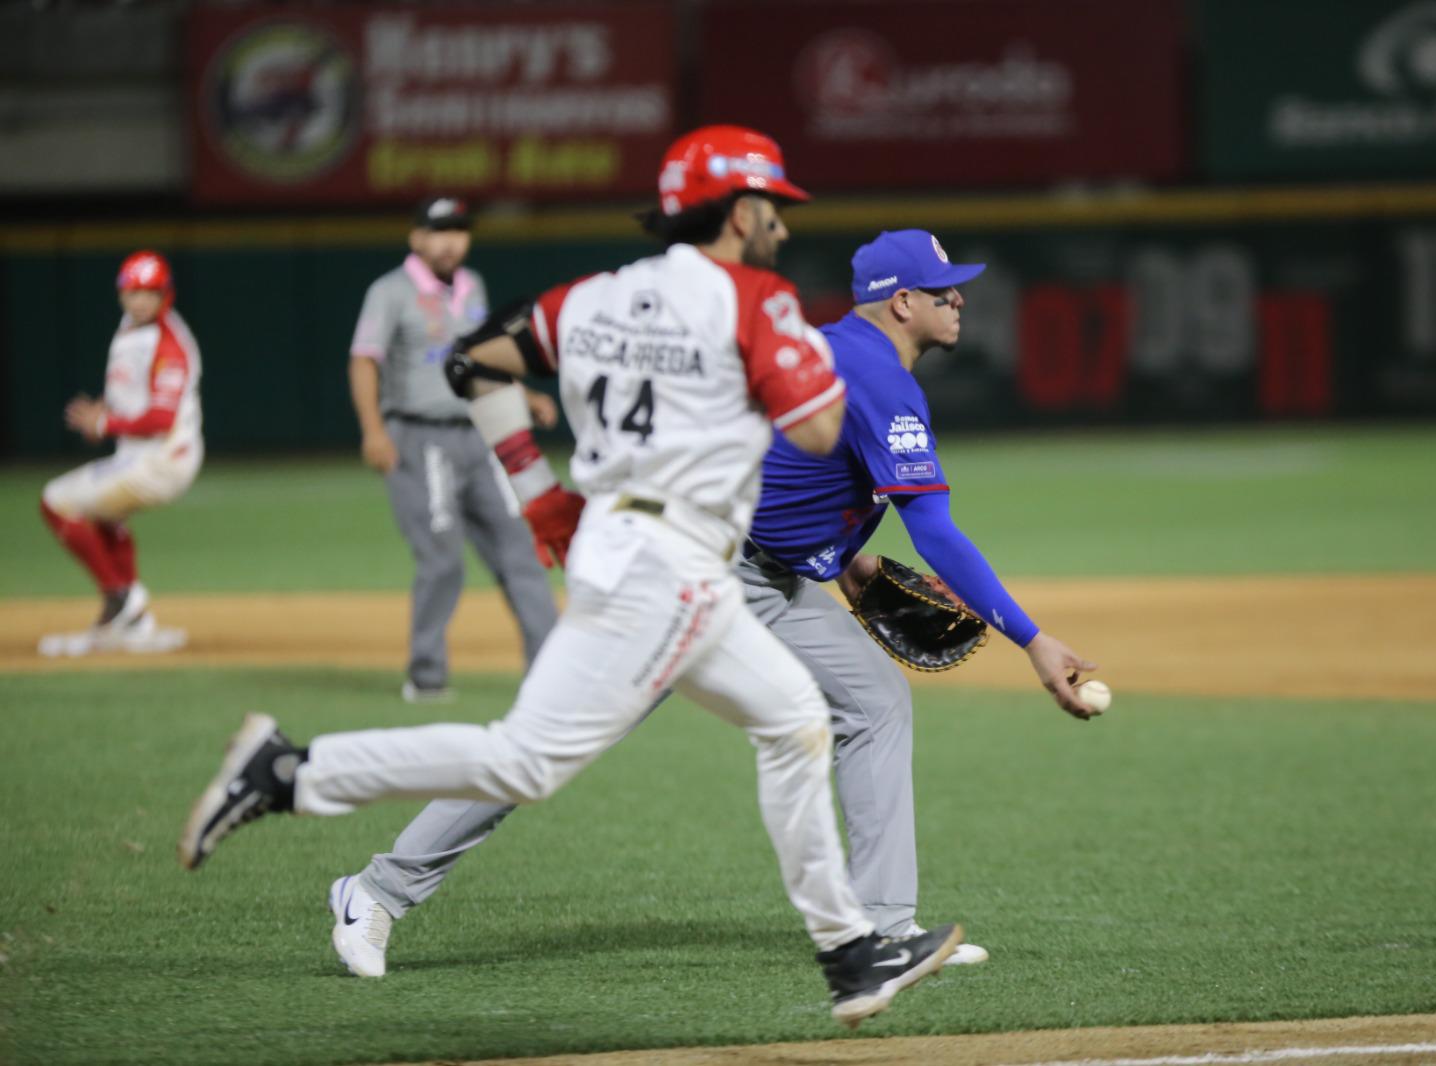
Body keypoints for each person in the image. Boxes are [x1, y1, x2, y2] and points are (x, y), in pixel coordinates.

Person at [179, 125, 964, 1029]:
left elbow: (469, 362)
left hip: (638, 549)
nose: (780, 227)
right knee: (528, 758)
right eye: (774, 209)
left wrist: (539, 493)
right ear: (741, 212)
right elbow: (822, 431)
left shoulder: (588, 298)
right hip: (666, 567)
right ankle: (291, 774)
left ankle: (855, 953)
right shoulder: (757, 301)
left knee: (795, 721)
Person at [320, 229, 1101, 982]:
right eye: (945, 291)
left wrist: (844, 559)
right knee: (548, 747)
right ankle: (375, 891)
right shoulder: (880, 381)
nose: (961, 301)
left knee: (876, 701)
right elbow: (936, 535)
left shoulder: (820, 346)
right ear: (900, 303)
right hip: (681, 578)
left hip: (766, 578)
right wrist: (1032, 640)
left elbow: (782, 467)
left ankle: (885, 928)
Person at [348, 196, 560, 701]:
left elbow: (479, 359)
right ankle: (427, 676)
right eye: (438, 231)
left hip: (479, 430)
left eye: (459, 231)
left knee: (520, 549)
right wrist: (373, 430)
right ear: (416, 238)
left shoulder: (472, 287)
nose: (450, 241)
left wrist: (524, 395)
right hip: (418, 438)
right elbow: (364, 360)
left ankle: (551, 674)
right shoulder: (391, 291)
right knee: (442, 560)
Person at [37, 250, 200, 657]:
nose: (141, 300)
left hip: (162, 460)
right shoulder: (131, 327)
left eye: (150, 292)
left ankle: (121, 598)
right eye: (133, 292)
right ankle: (135, 617)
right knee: (104, 515)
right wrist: (105, 413)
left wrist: (105, 424)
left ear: (168, 294)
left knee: (54, 502)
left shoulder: (170, 343)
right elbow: (130, 398)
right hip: (141, 455)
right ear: (121, 295)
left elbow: (161, 417)